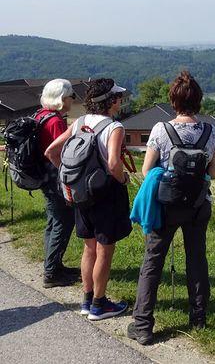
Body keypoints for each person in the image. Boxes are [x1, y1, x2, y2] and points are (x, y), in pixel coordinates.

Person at [127, 71, 215, 345]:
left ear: (173, 100)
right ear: (199, 100)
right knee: (197, 259)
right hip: (198, 205)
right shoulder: (210, 131)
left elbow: (146, 170)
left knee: (152, 262)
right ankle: (198, 317)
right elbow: (213, 173)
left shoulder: (160, 130)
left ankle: (143, 325)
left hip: (166, 207)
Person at [45, 78, 132, 320]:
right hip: (106, 194)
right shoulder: (114, 128)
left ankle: (86, 300)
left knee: (89, 248)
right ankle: (99, 304)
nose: (120, 101)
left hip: (81, 194)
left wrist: (68, 177)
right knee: (105, 250)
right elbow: (114, 163)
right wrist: (123, 179)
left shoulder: (79, 122)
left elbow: (51, 151)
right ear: (111, 101)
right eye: (118, 97)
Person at [37, 79, 79, 288]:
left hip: (44, 177)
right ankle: (52, 272)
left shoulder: (41, 115)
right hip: (55, 179)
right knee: (63, 223)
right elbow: (62, 152)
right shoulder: (55, 122)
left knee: (53, 223)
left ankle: (53, 264)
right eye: (71, 96)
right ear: (62, 99)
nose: (72, 100)